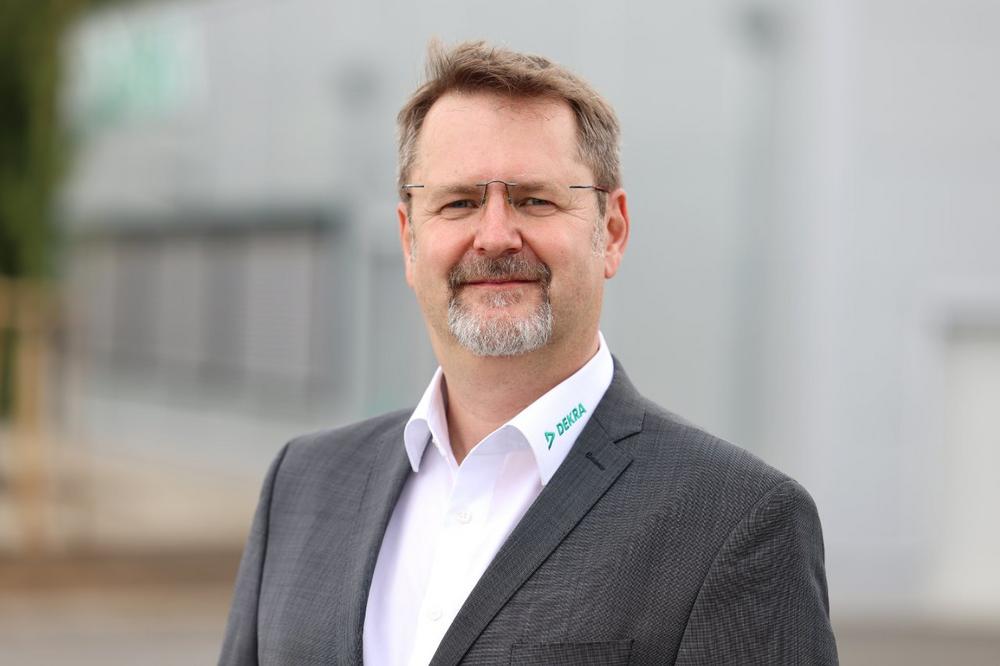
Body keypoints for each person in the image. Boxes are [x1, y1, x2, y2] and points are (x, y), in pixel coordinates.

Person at [219, 40, 838, 665]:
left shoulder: (734, 520)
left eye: (535, 200)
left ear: (612, 232)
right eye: (459, 202)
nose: (494, 236)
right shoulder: (302, 483)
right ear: (409, 240)